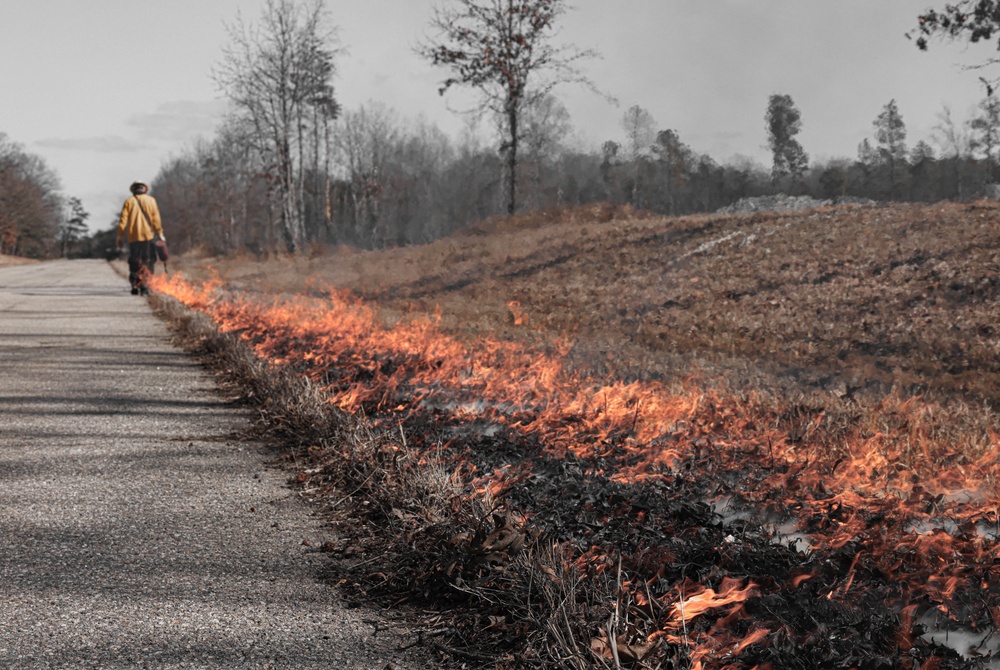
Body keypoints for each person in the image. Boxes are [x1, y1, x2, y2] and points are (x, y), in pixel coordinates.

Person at [116, 180, 165, 295]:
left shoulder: (129, 201)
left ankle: (134, 284)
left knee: (134, 261)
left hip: (133, 237)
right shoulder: (151, 201)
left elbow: (123, 220)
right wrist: (160, 233)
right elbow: (156, 219)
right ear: (144, 189)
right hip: (148, 237)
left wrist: (119, 236)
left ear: (133, 190)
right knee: (148, 261)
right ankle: (145, 285)